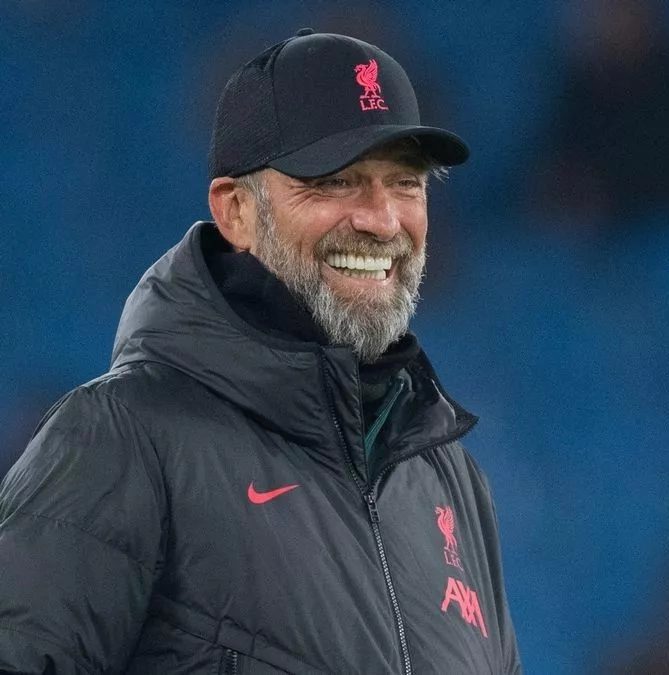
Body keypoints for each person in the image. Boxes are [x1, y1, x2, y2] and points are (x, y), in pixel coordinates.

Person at [0, 29, 521, 674]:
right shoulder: (124, 438)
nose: (383, 220)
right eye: (335, 182)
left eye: (407, 184)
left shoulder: (450, 479)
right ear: (236, 211)